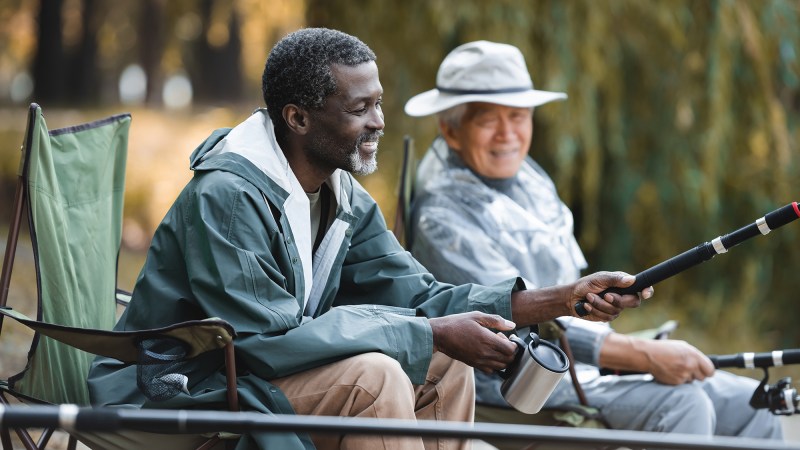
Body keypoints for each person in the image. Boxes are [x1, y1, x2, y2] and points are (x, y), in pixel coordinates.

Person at [88, 29, 648, 450]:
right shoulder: (230, 198)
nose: (380, 121)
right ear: (298, 119)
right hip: (186, 387)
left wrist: (565, 298)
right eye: (361, 108)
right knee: (375, 376)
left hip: (257, 376)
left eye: (377, 102)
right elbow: (262, 342)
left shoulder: (340, 194)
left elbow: (422, 296)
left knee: (445, 361)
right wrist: (428, 331)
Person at [404, 39, 784, 443]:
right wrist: (642, 355)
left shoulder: (526, 178)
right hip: (510, 379)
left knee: (753, 402)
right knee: (684, 402)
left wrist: (625, 342)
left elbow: (568, 297)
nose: (507, 134)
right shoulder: (441, 215)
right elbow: (514, 319)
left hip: (577, 360)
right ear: (451, 129)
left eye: (518, 116)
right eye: (487, 121)